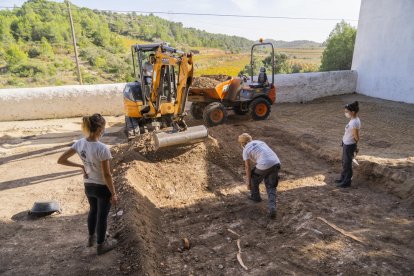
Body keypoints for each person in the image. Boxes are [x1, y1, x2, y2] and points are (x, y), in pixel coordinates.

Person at [57, 113, 118, 255]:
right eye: (103, 128)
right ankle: (101, 245)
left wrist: (80, 166)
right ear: (99, 130)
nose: (104, 131)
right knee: (102, 216)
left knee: (93, 211)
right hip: (102, 187)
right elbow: (106, 174)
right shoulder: (102, 148)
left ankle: (92, 239)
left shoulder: (79, 143)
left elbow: (61, 159)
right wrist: (113, 193)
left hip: (88, 185)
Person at [238, 133, 281, 219]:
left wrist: (248, 182)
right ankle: (272, 208)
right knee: (271, 186)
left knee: (254, 178)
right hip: (276, 162)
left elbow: (247, 167)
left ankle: (255, 197)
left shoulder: (246, 149)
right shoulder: (260, 142)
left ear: (242, 143)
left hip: (264, 164)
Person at [335, 101, 361, 188]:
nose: (345, 113)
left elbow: (356, 136)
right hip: (347, 143)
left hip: (349, 145)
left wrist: (355, 146)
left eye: (347, 111)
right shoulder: (353, 120)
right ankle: (343, 178)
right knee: (344, 162)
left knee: (347, 163)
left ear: (353, 112)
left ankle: (347, 181)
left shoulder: (354, 122)